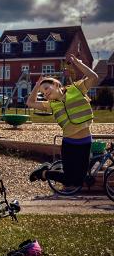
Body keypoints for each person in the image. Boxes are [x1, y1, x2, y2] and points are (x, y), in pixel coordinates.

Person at [27, 54, 99, 187]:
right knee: (71, 180)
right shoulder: (51, 105)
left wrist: (78, 63)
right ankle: (44, 172)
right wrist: (37, 86)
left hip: (85, 143)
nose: (45, 94)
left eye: (47, 88)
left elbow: (94, 77)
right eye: (43, 93)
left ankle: (44, 173)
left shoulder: (77, 89)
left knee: (77, 181)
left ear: (55, 84)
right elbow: (30, 102)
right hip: (69, 144)